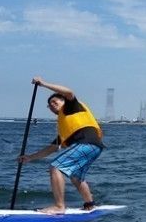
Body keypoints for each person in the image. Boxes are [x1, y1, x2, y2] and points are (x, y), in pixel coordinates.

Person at [18, 77, 104, 214]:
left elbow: (69, 92)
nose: (52, 105)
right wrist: (30, 157)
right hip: (94, 147)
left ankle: (59, 206)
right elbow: (51, 148)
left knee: (56, 167)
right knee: (76, 176)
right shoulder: (64, 126)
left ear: (63, 100)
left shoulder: (71, 106)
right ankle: (90, 204)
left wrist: (43, 84)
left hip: (87, 143)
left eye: (54, 101)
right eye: (49, 105)